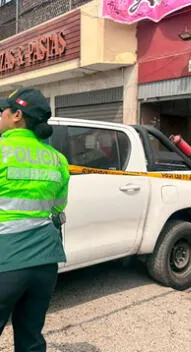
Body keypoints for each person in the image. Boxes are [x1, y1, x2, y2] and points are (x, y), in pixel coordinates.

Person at [0, 88, 70, 352]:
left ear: (17, 115)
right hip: (44, 263)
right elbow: (58, 205)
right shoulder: (56, 159)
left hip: (6, 261)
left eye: (2, 111)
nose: (0, 116)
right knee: (30, 339)